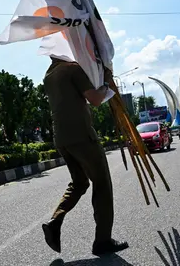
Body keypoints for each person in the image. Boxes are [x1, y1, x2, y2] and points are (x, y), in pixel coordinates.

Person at [42, 57, 129, 255]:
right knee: (102, 185)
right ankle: (103, 241)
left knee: (80, 182)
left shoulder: (49, 75)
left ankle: (55, 221)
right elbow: (96, 100)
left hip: (62, 138)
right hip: (82, 136)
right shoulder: (72, 69)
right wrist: (106, 81)